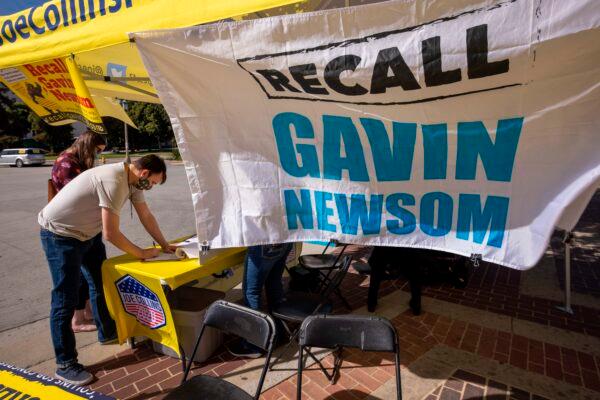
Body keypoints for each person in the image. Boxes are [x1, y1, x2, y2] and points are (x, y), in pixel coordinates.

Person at [39, 154, 176, 385]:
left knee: (101, 282)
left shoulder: (133, 182)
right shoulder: (113, 180)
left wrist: (164, 245)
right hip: (60, 235)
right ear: (144, 173)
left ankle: (107, 332)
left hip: (86, 235)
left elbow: (146, 215)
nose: (151, 187)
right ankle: (65, 364)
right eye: (152, 182)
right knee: (65, 299)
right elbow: (110, 233)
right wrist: (142, 253)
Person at [49, 131, 107, 333]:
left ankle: (90, 312)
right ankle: (78, 319)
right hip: (72, 228)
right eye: (97, 152)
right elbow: (81, 196)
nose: (98, 156)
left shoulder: (78, 161)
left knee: (93, 274)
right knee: (77, 278)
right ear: (88, 146)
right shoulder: (66, 164)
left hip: (85, 225)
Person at [228, 243, 293, 358]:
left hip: (264, 243)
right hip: (284, 239)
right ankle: (279, 332)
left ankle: (255, 344)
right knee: (274, 284)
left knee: (251, 292)